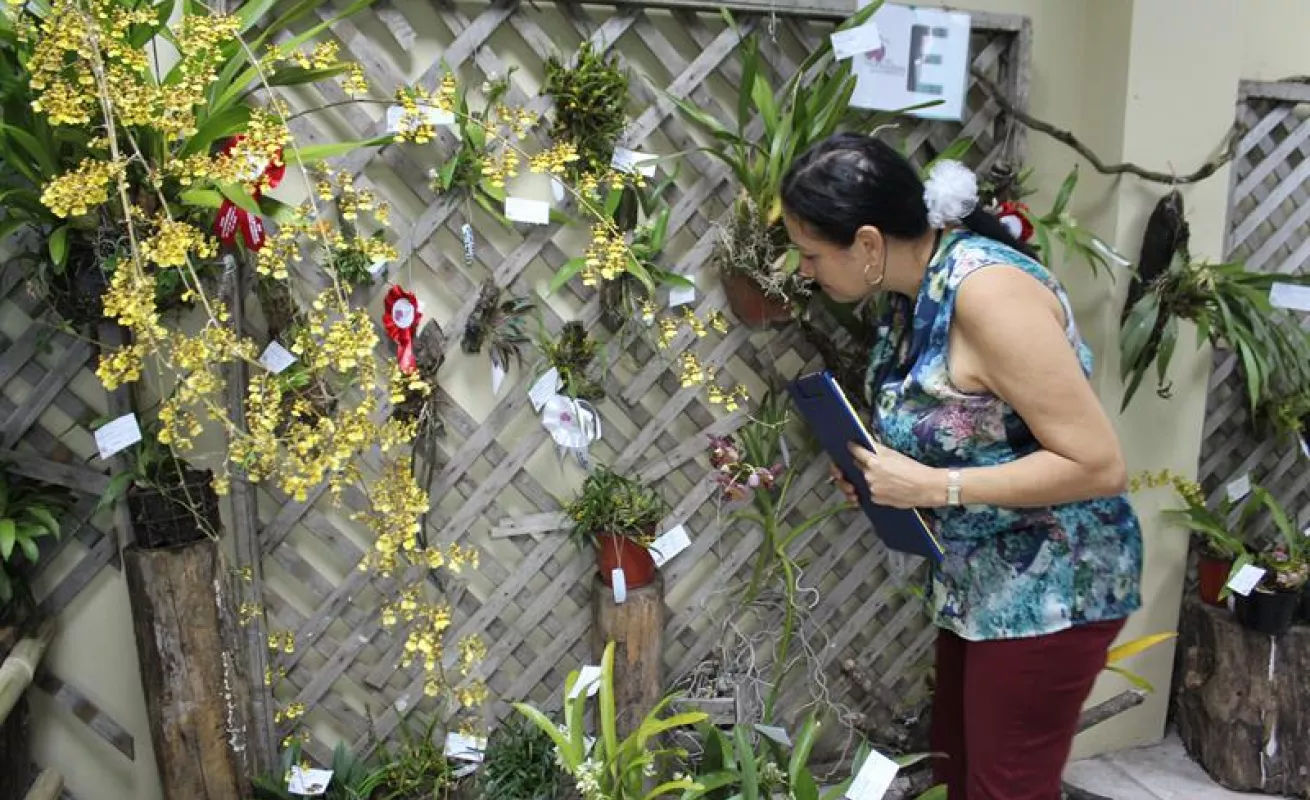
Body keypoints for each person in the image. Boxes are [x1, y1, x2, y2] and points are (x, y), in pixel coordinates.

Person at [779, 132, 1143, 800]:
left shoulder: (987, 294)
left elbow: (1099, 464)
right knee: (959, 767)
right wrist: (883, 475)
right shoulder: (909, 294)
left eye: (810, 253)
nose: (805, 272)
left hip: (1055, 585)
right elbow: (972, 428)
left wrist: (933, 485)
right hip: (979, 582)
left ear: (865, 243)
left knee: (1005, 787)